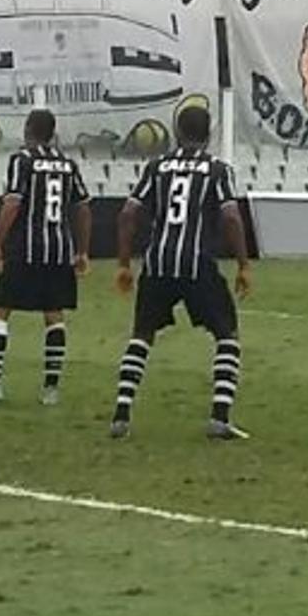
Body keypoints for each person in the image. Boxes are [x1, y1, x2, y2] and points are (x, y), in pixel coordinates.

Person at [110, 105, 253, 442]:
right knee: (227, 335)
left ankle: (121, 413)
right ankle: (219, 417)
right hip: (197, 263)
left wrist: (123, 263)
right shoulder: (217, 170)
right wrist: (244, 264)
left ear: (177, 132)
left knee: (142, 334)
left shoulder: (157, 167)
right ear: (208, 134)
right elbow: (231, 217)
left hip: (157, 262)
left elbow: (128, 214)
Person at [0, 108, 88, 408]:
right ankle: (51, 389)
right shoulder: (67, 164)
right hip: (59, 250)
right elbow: (83, 207)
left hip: (27, 248)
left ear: (28, 130)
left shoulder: (23, 160)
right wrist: (83, 250)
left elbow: (13, 202)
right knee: (54, 315)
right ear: (52, 132)